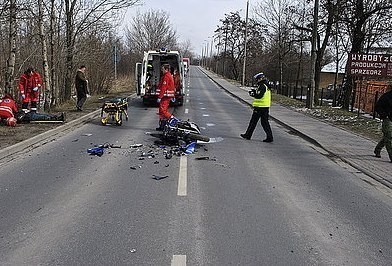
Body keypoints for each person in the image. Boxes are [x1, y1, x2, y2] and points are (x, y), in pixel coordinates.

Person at [240, 72, 273, 142]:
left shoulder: (262, 86)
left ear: (260, 79)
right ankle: (269, 137)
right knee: (264, 123)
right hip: (265, 107)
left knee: (253, 122)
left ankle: (248, 135)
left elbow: (259, 96)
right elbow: (261, 94)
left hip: (260, 107)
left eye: (257, 79)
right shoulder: (266, 85)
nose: (256, 81)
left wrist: (253, 94)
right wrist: (255, 91)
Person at [374, 83, 392, 162]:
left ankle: (377, 149)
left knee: (387, 137)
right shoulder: (387, 96)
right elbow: (378, 106)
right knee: (389, 137)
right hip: (388, 119)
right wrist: (384, 115)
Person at [156, 64, 176, 130]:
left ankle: (172, 119)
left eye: (163, 69)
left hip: (165, 97)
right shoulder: (167, 75)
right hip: (166, 96)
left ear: (166, 69)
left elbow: (164, 87)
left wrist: (160, 97)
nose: (162, 70)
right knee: (162, 112)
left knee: (163, 111)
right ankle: (162, 126)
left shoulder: (166, 76)